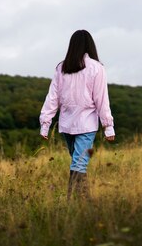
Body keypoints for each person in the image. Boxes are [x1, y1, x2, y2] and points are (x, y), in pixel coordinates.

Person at [39, 30, 115, 199]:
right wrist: (108, 127)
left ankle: (82, 203)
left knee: (78, 163)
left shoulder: (63, 67)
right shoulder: (95, 68)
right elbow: (102, 99)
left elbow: (52, 98)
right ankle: (74, 204)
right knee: (79, 164)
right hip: (85, 124)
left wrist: (46, 124)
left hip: (68, 125)